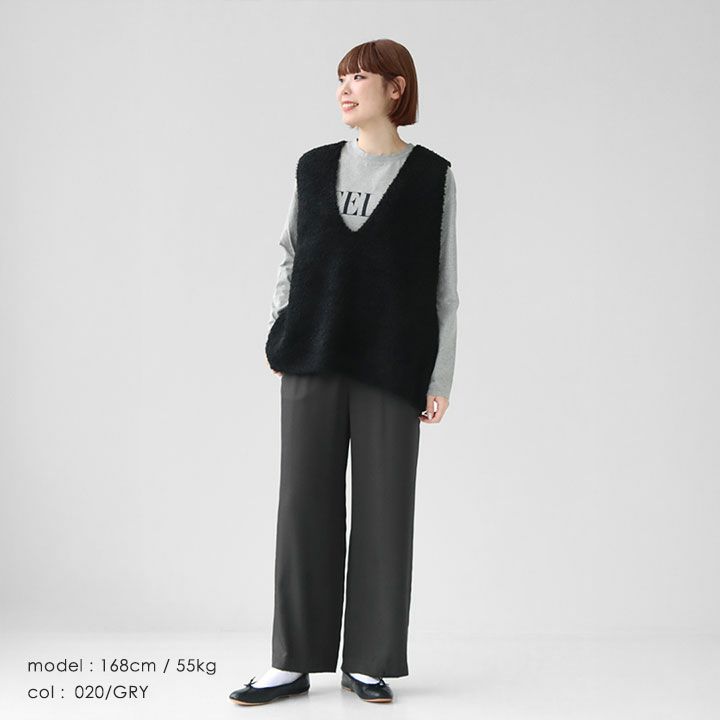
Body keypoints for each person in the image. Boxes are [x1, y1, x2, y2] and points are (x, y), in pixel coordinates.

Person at [229, 38, 459, 706]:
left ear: (396, 88)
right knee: (303, 507)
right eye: (341, 78)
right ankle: (292, 661)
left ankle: (369, 660)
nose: (345, 89)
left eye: (360, 77)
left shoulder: (433, 177)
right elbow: (289, 255)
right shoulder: (313, 167)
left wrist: (439, 378)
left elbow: (444, 289)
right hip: (313, 357)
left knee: (386, 512)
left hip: (393, 368)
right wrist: (281, 330)